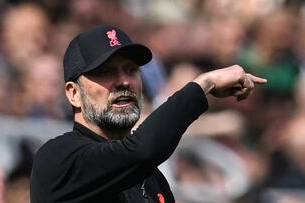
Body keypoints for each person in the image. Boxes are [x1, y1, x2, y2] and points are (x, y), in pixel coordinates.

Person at [30, 25, 266, 203]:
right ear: (74, 94)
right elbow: (141, 151)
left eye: (131, 70)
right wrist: (204, 84)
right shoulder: (58, 158)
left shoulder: (153, 179)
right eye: (105, 72)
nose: (123, 81)